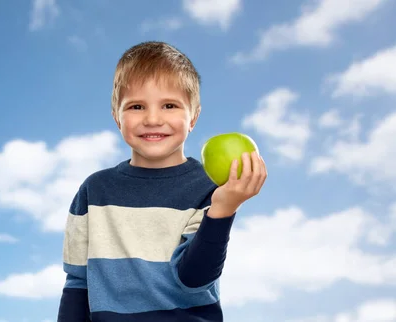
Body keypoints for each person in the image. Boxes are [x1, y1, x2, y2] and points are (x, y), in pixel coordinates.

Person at [56, 41, 267, 322]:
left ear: (193, 117)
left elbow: (193, 279)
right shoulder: (94, 190)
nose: (153, 119)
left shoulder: (210, 188)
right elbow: (77, 284)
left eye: (169, 105)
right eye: (136, 106)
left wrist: (223, 210)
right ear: (117, 118)